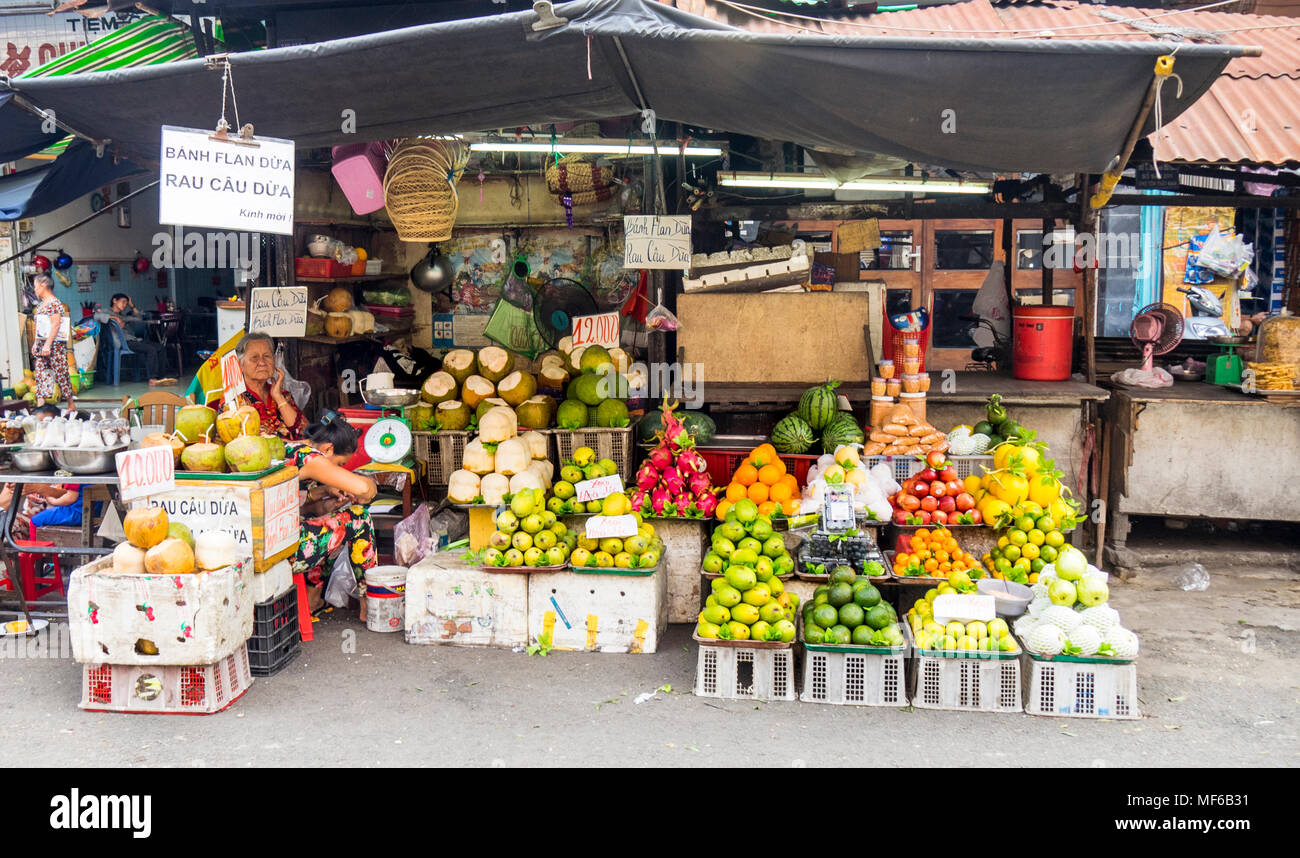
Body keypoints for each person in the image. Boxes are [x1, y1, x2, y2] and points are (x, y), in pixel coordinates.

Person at [286, 417, 378, 612]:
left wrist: (325, 495)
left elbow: (298, 510)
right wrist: (370, 487)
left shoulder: (290, 449)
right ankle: (370, 604)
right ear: (328, 449)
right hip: (286, 552)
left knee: (332, 521)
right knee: (359, 518)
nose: (337, 470)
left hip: (274, 544)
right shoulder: (311, 458)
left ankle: (313, 600)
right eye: (339, 464)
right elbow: (363, 488)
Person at [207, 332, 306, 440]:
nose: (262, 362)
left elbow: (302, 431)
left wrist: (278, 397)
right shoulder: (233, 401)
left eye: (267, 356)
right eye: (254, 357)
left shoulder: (281, 394)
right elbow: (248, 444)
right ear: (240, 364)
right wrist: (297, 444)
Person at [28, 274, 75, 411]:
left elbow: (56, 325)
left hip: (54, 346)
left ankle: (71, 405)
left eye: (36, 286)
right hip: (43, 345)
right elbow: (40, 327)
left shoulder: (54, 303)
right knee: (42, 374)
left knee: (61, 374)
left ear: (43, 285)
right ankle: (41, 407)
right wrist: (36, 343)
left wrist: (48, 345)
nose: (35, 289)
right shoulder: (42, 304)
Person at [95, 293, 165, 382]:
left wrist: (132, 306)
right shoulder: (106, 311)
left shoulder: (123, 316)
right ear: (114, 301)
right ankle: (153, 379)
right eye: (123, 302)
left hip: (133, 340)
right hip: (123, 343)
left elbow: (140, 319)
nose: (125, 305)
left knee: (160, 347)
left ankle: (162, 378)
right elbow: (96, 316)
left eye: (126, 303)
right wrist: (115, 318)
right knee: (151, 349)